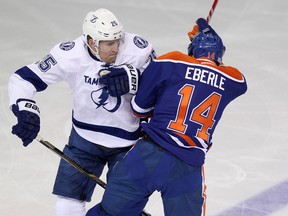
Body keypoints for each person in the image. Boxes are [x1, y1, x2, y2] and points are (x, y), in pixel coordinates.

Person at [86, 18, 248, 216]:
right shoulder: (232, 80)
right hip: (187, 165)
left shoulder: (171, 60)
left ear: (192, 50)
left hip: (148, 155)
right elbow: (237, 79)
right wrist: (210, 39)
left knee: (108, 213)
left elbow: (138, 108)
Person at [8, 8, 156, 216]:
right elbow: (22, 79)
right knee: (67, 201)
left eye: (118, 40)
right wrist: (26, 110)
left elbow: (165, 91)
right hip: (84, 140)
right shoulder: (69, 54)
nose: (116, 47)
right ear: (91, 41)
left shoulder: (138, 51)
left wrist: (138, 79)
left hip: (129, 144)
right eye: (108, 43)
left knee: (122, 209)